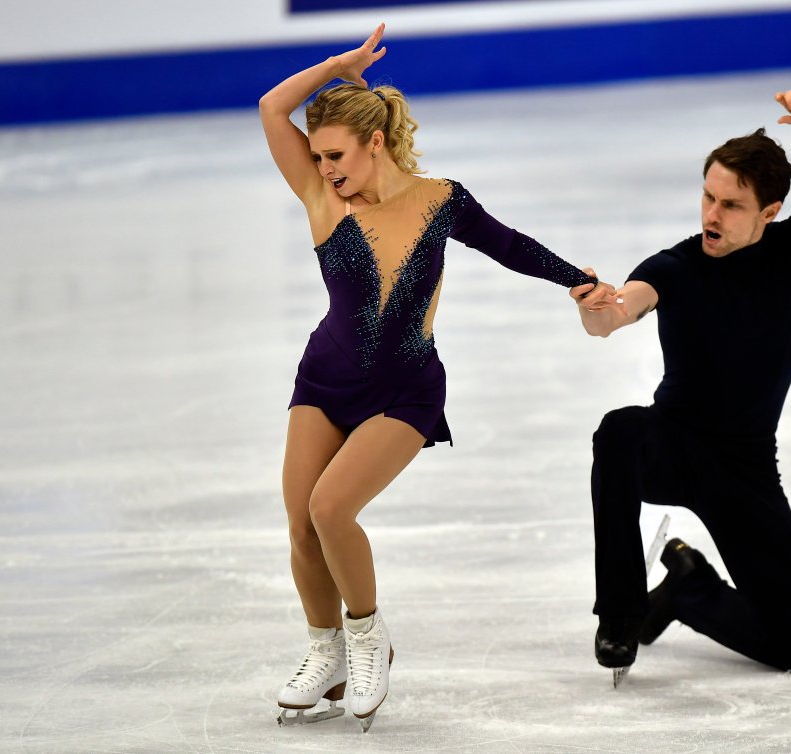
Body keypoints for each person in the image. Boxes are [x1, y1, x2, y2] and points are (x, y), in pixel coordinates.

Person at [258, 24, 604, 730]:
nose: (323, 168)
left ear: (374, 142)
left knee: (331, 511)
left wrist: (574, 280)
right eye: (316, 155)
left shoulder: (440, 200)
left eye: (335, 155)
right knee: (299, 523)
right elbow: (271, 108)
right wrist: (336, 66)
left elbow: (508, 244)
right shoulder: (322, 200)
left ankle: (366, 638)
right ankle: (323, 650)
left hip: (406, 388)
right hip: (323, 380)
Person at [571, 90, 791, 684]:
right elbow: (615, 315)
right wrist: (594, 307)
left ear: (770, 211)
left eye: (732, 205)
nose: (711, 215)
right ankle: (620, 611)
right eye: (708, 197)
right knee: (619, 430)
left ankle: (689, 590)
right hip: (671, 446)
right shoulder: (675, 267)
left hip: (746, 469)